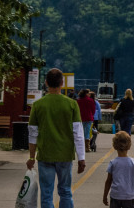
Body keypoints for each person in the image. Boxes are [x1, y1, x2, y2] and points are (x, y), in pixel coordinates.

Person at [28, 67, 86, 208]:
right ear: (62, 83)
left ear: (46, 83)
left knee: (46, 194)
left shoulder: (37, 105)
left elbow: (32, 133)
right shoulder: (72, 104)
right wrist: (81, 158)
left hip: (45, 155)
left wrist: (31, 157)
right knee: (65, 191)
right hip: (65, 155)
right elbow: (78, 134)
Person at [103, 130, 134, 208]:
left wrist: (105, 195)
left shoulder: (113, 163)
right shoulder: (133, 162)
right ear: (129, 145)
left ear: (114, 145)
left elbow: (108, 181)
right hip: (129, 196)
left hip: (115, 195)